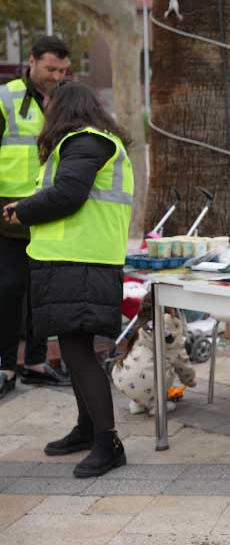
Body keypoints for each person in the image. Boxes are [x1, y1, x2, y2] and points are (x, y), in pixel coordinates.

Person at [2, 82, 133, 478]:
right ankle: (87, 428)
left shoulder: (86, 142)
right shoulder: (83, 143)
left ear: (63, 108)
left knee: (78, 353)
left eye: (48, 104)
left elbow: (68, 194)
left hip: (84, 261)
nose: (45, 112)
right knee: (76, 351)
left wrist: (25, 210)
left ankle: (108, 442)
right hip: (73, 260)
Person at [0, 36, 73, 400]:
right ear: (31, 61)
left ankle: (35, 362)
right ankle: (5, 366)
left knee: (43, 291)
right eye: (50, 69)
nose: (57, 76)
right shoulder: (6, 97)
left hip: (49, 210)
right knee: (9, 288)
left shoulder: (67, 100)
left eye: (63, 70)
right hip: (7, 212)